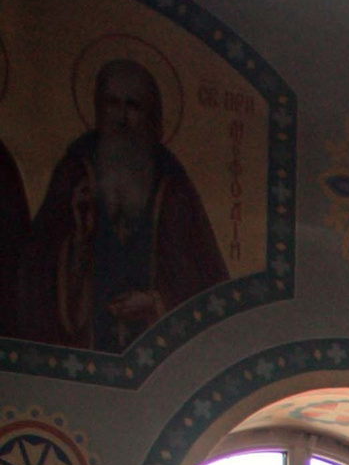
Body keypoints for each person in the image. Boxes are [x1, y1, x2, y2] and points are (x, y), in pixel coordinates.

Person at [22, 59, 226, 350]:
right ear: (97, 108)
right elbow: (35, 268)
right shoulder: (75, 171)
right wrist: (77, 241)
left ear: (150, 115)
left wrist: (157, 303)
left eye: (133, 106)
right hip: (82, 352)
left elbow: (203, 280)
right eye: (112, 104)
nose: (121, 117)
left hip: (158, 358)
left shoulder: (171, 183)